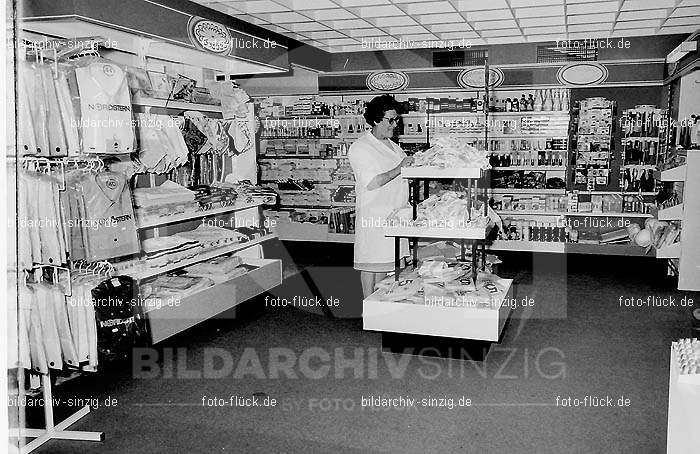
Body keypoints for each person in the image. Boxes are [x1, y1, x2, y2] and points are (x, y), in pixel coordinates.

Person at [348, 95, 413, 298]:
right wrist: (399, 169)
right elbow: (372, 182)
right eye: (391, 120)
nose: (395, 125)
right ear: (376, 120)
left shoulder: (393, 146)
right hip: (375, 216)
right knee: (371, 264)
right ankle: (368, 307)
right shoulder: (360, 147)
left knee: (386, 265)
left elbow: (403, 172)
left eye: (397, 120)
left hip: (394, 214)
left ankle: (380, 306)